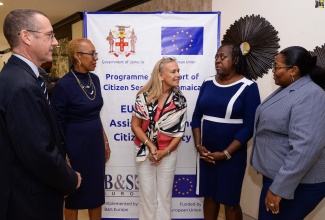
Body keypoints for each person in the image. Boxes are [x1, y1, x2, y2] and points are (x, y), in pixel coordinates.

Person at [0, 9, 81, 220]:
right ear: (26, 37)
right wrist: (69, 179)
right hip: (29, 201)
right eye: (50, 35)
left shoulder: (17, 75)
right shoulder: (23, 85)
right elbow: (38, 153)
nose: (55, 42)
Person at [251, 46, 325, 219]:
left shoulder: (311, 95)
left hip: (296, 183)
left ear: (293, 70)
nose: (273, 72)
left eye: (276, 67)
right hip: (278, 176)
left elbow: (306, 147)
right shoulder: (291, 87)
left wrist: (279, 189)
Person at [191, 43, 261, 220]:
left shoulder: (248, 87)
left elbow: (250, 126)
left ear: (235, 60)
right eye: (216, 57)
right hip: (207, 153)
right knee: (210, 196)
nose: (218, 61)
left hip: (232, 155)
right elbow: (196, 117)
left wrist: (226, 154)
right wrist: (198, 145)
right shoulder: (207, 82)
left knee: (230, 202)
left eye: (223, 57)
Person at [51, 38, 111, 220]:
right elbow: (57, 125)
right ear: (77, 56)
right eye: (91, 54)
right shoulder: (63, 85)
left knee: (96, 195)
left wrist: (105, 140)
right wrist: (65, 156)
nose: (95, 58)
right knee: (73, 196)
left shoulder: (95, 80)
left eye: (95, 54)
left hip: (95, 145)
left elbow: (95, 114)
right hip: (75, 148)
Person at [131, 57, 187, 220]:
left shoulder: (180, 100)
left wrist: (165, 151)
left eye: (178, 71)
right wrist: (150, 145)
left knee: (164, 196)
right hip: (144, 150)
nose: (178, 75)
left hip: (168, 152)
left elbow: (179, 132)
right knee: (147, 196)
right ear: (161, 75)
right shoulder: (144, 97)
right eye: (173, 71)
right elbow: (135, 126)